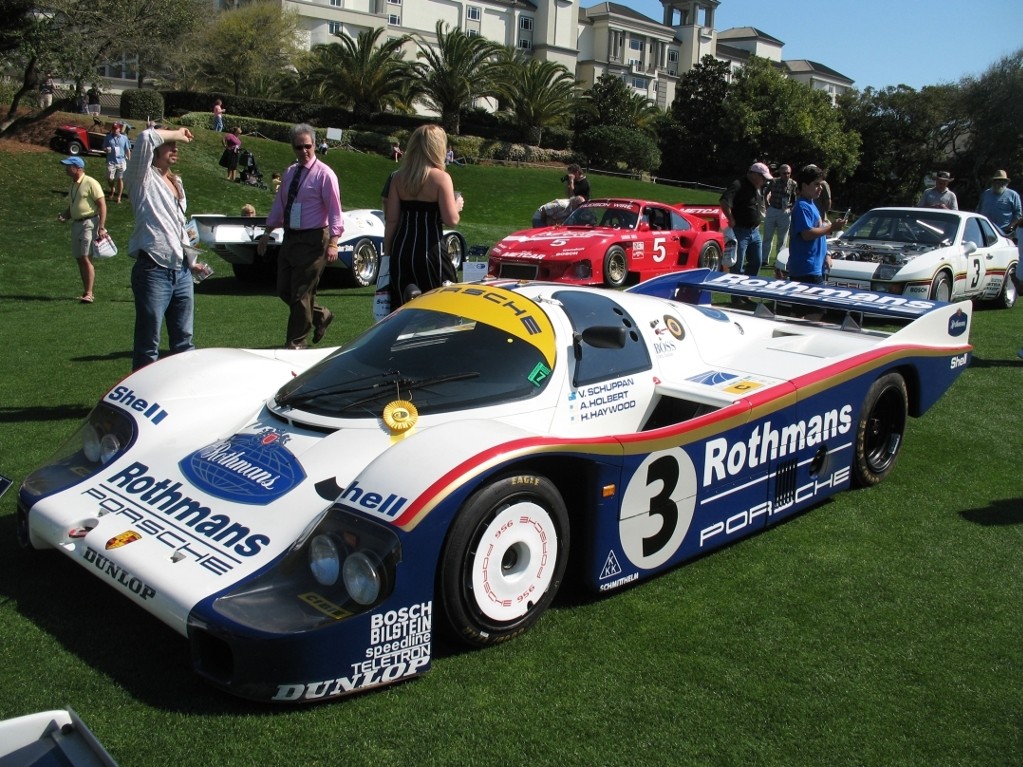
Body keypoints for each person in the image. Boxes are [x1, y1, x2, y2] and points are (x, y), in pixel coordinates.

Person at [124, 124, 204, 370]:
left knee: (184, 342)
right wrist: (177, 132)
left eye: (175, 144)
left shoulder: (177, 181)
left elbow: (181, 227)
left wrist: (191, 262)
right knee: (149, 344)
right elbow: (146, 136)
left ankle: (182, 393)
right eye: (169, 144)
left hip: (181, 272)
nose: (175, 147)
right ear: (156, 150)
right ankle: (143, 399)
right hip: (153, 270)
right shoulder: (141, 178)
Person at [258, 123, 344, 349]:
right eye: (299, 147)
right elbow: (280, 204)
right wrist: (267, 232)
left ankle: (296, 342)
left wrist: (334, 241)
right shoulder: (290, 172)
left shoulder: (325, 175)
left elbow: (335, 210)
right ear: (293, 148)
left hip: (314, 239)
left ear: (315, 145)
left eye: (308, 146)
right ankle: (320, 315)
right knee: (284, 290)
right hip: (291, 237)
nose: (304, 151)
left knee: (300, 293)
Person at [384, 123, 463, 308]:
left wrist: (388, 253)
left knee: (402, 309)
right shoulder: (441, 178)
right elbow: (451, 220)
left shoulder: (398, 177)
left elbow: (392, 219)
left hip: (402, 249)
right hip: (430, 250)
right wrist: (457, 205)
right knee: (440, 307)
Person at [57, 156, 107, 304]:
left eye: (68, 166)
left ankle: (90, 293)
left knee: (86, 257)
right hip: (77, 224)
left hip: (89, 223)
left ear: (77, 168)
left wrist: (101, 226)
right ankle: (86, 291)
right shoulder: (73, 185)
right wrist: (65, 216)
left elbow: (102, 205)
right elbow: (73, 205)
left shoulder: (90, 182)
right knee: (79, 258)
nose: (66, 169)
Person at [787, 164, 848, 284]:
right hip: (805, 269)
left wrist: (826, 254)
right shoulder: (802, 206)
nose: (820, 188)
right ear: (804, 186)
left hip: (814, 268)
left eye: (821, 184)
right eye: (816, 184)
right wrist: (832, 227)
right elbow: (807, 234)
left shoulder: (811, 204)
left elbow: (818, 233)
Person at [720, 162, 772, 282]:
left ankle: (747, 290)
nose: (764, 181)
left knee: (757, 261)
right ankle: (737, 297)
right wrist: (731, 219)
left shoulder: (756, 187)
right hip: (740, 231)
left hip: (754, 231)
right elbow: (724, 201)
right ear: (754, 174)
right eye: (763, 178)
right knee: (737, 265)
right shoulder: (738, 184)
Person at [763, 163, 796, 263]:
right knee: (767, 237)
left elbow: (796, 199)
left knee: (782, 239)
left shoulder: (793, 184)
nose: (786, 175)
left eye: (788, 173)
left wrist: (791, 209)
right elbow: (765, 193)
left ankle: (779, 261)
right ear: (780, 173)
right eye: (784, 173)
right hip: (772, 209)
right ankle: (764, 259)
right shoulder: (773, 181)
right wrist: (767, 205)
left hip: (785, 212)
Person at [977, 170, 1022, 237]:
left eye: (1001, 180)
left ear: (1006, 182)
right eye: (996, 180)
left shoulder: (1013, 195)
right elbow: (978, 210)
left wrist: (1010, 227)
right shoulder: (986, 194)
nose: (998, 182)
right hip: (984, 232)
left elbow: (1018, 214)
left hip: (1003, 232)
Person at [103, 122, 131, 203]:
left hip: (122, 161)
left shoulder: (124, 138)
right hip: (111, 161)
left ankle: (119, 197)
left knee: (120, 179)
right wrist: (106, 150)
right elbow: (103, 147)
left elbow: (127, 149)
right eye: (114, 128)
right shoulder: (108, 137)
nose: (115, 130)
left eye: (116, 128)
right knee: (110, 178)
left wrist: (129, 160)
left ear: (119, 129)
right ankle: (112, 188)